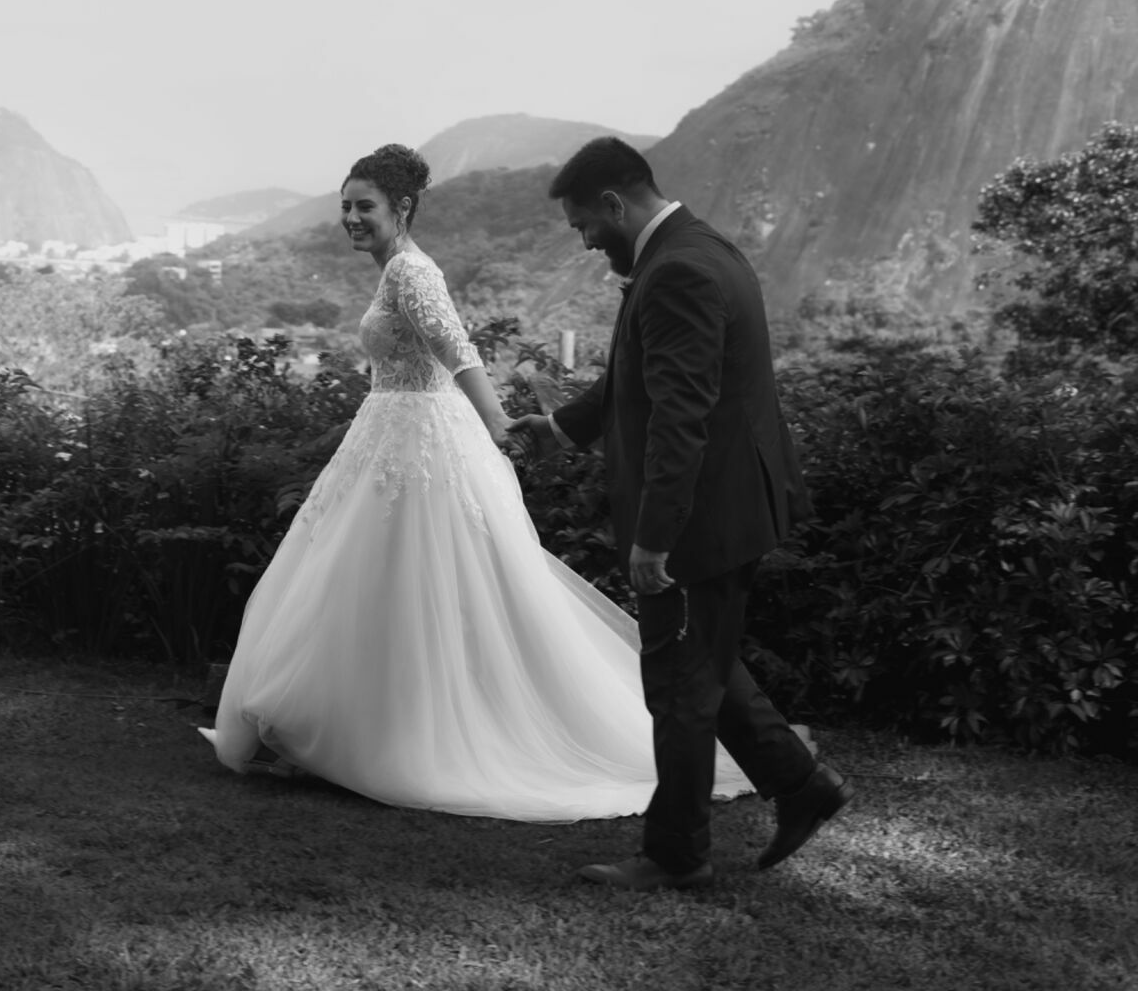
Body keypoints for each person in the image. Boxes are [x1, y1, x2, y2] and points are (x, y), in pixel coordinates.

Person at [201, 143, 752, 821]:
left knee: (401, 584)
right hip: (388, 436)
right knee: (361, 585)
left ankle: (386, 736)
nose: (350, 217)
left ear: (402, 207)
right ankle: (341, 729)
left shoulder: (409, 271)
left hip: (422, 445)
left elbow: (458, 352)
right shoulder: (394, 271)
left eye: (364, 206)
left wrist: (499, 424)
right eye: (345, 206)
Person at [508, 136, 850, 890]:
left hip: (701, 518)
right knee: (705, 667)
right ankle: (802, 787)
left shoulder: (680, 272)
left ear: (612, 204)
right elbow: (637, 376)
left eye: (583, 226)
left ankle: (675, 855)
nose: (587, 240)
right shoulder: (694, 251)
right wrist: (563, 426)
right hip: (727, 504)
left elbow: (681, 419)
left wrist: (655, 540)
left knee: (678, 689)